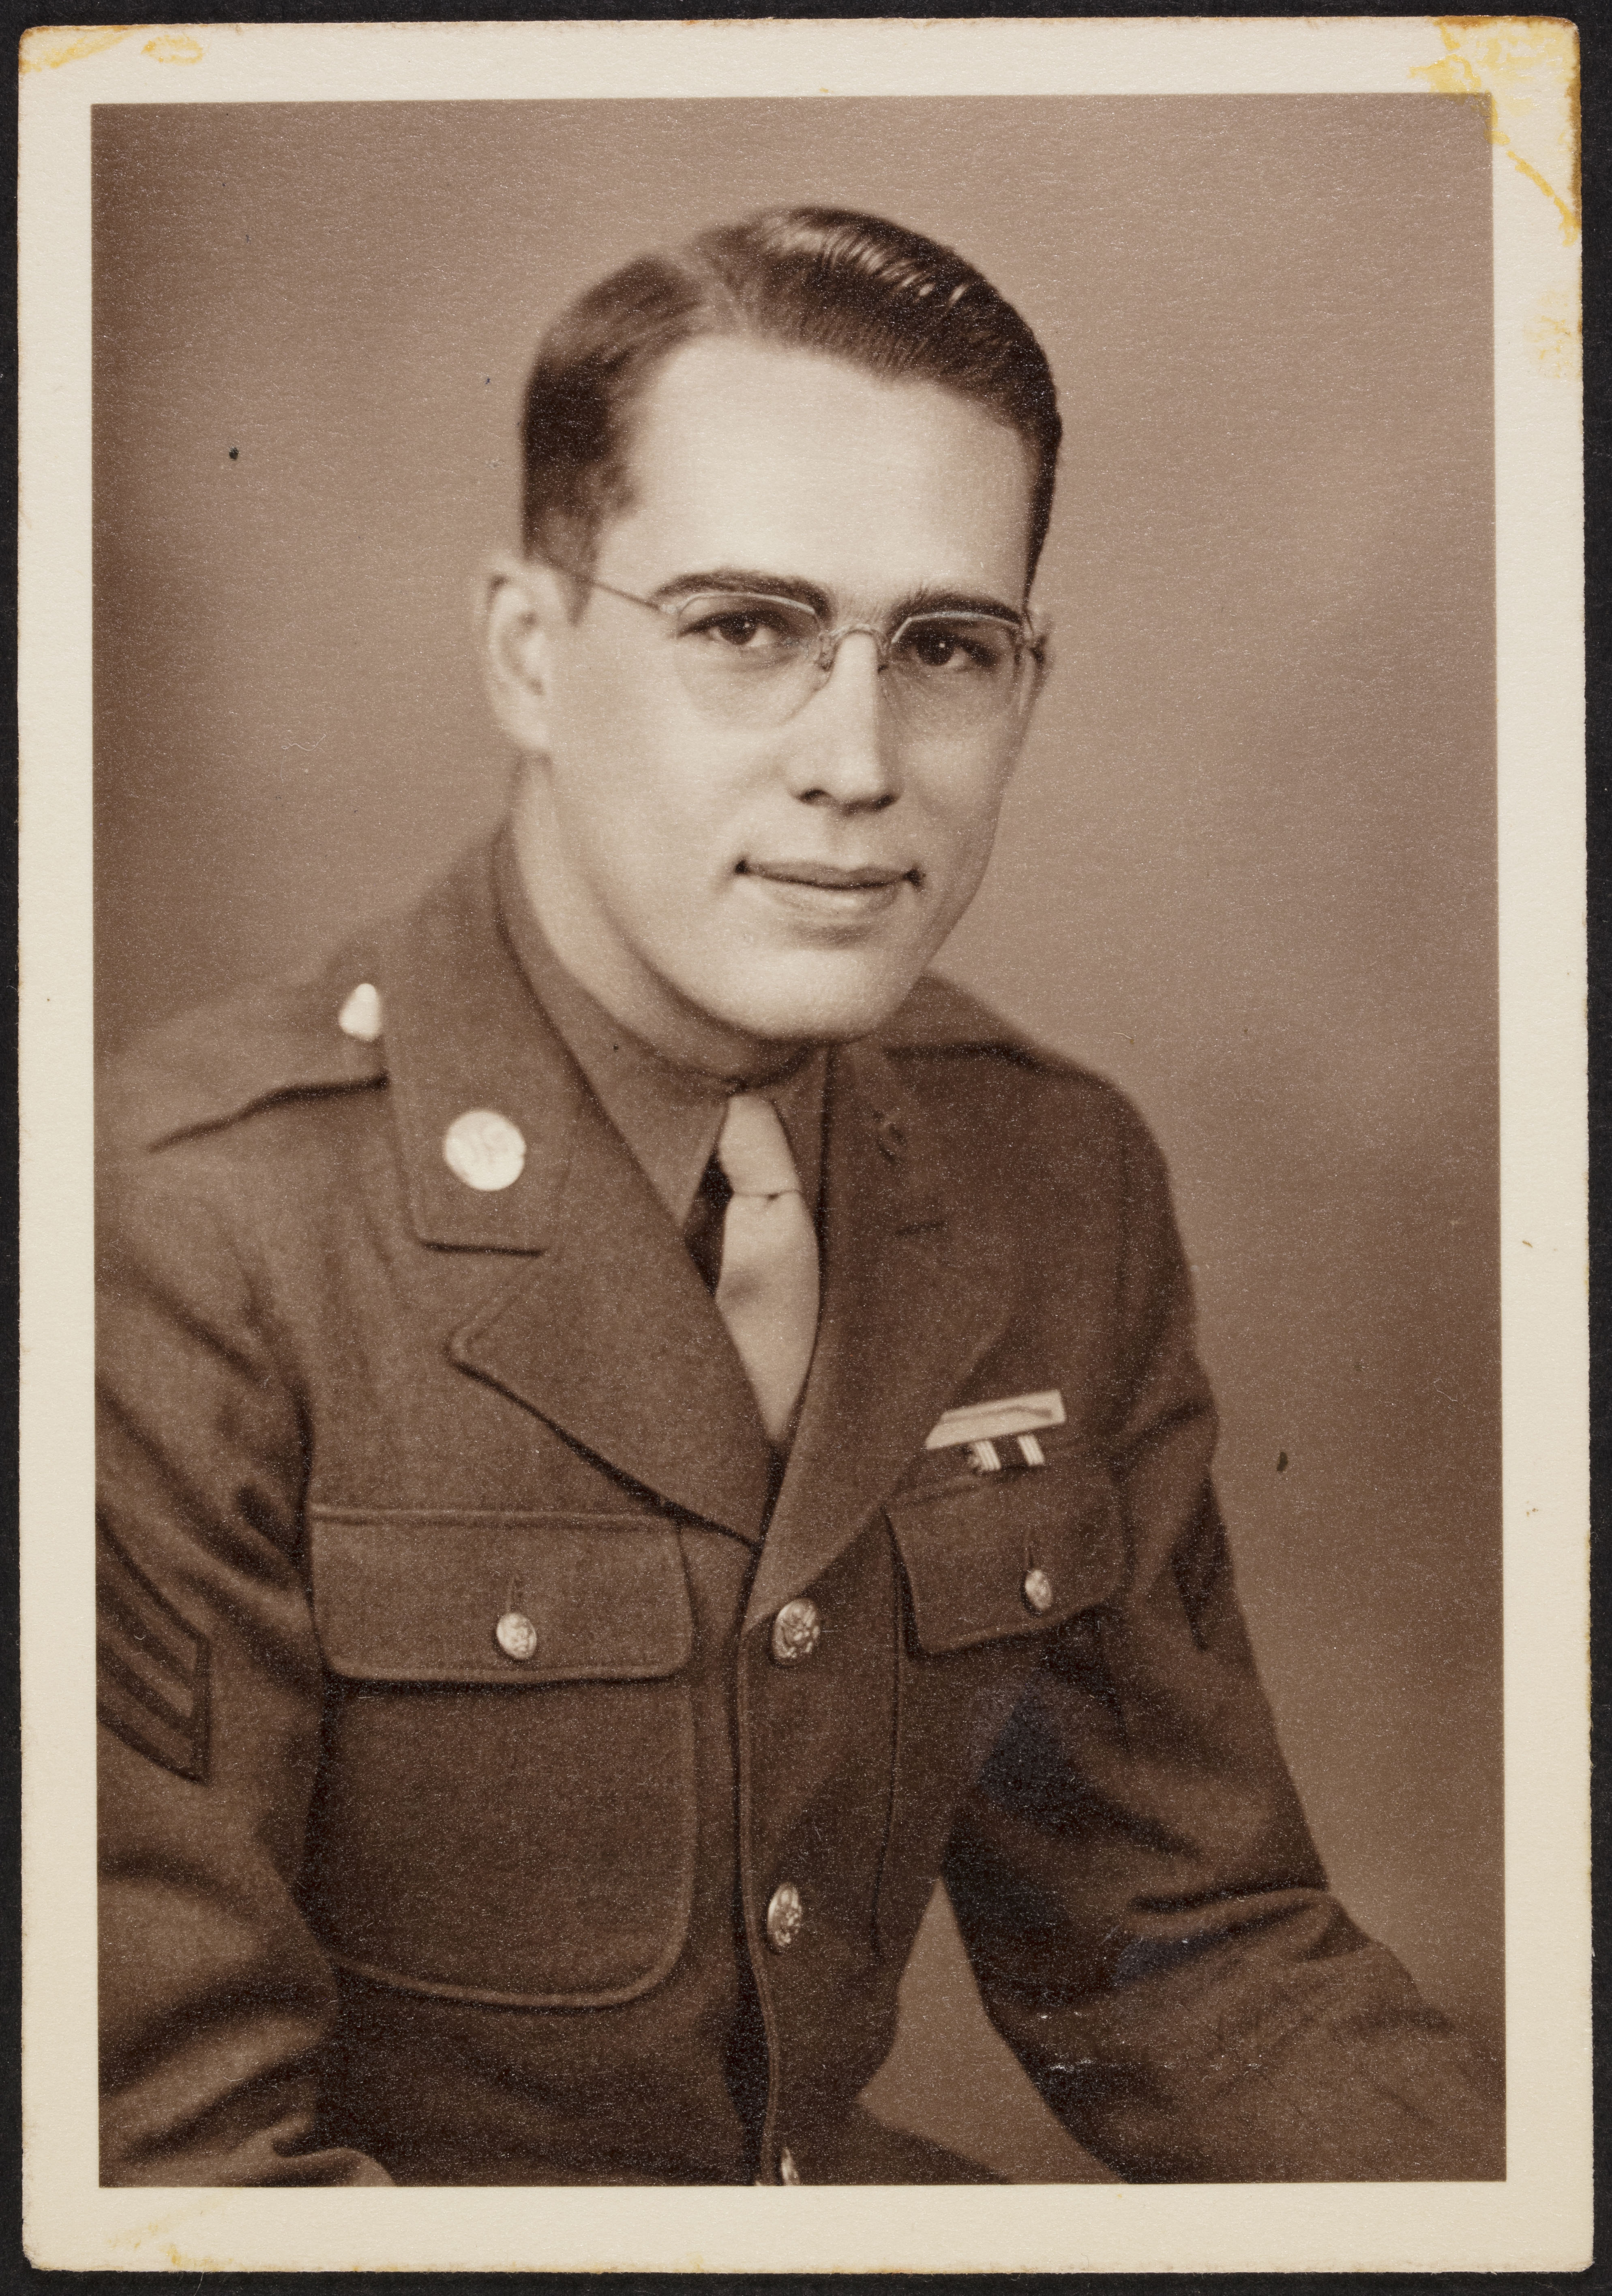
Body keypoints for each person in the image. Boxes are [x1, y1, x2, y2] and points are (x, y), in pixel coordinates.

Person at [96, 206, 1502, 2187]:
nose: (858, 761)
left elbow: (1197, 1959)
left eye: (945, 648)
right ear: (527, 653)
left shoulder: (1049, 1178)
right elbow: (163, 2176)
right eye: (746, 629)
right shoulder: (176, 1239)